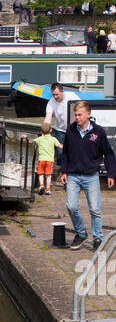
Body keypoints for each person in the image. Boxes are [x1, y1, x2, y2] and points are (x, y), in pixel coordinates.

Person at [60, 100, 116, 250]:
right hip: (73, 175)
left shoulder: (98, 132)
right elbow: (65, 153)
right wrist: (64, 171)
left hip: (91, 175)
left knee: (95, 209)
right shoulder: (70, 131)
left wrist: (111, 174)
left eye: (79, 115)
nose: (77, 117)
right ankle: (81, 232)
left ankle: (98, 238)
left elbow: (108, 154)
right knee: (71, 206)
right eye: (75, 115)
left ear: (88, 115)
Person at [34, 122, 57, 196]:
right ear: (51, 130)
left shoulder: (39, 139)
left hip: (41, 159)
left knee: (40, 173)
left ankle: (41, 185)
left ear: (41, 131)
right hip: (50, 160)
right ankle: (47, 189)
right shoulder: (53, 139)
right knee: (48, 175)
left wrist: (25, 138)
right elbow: (60, 146)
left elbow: (32, 141)